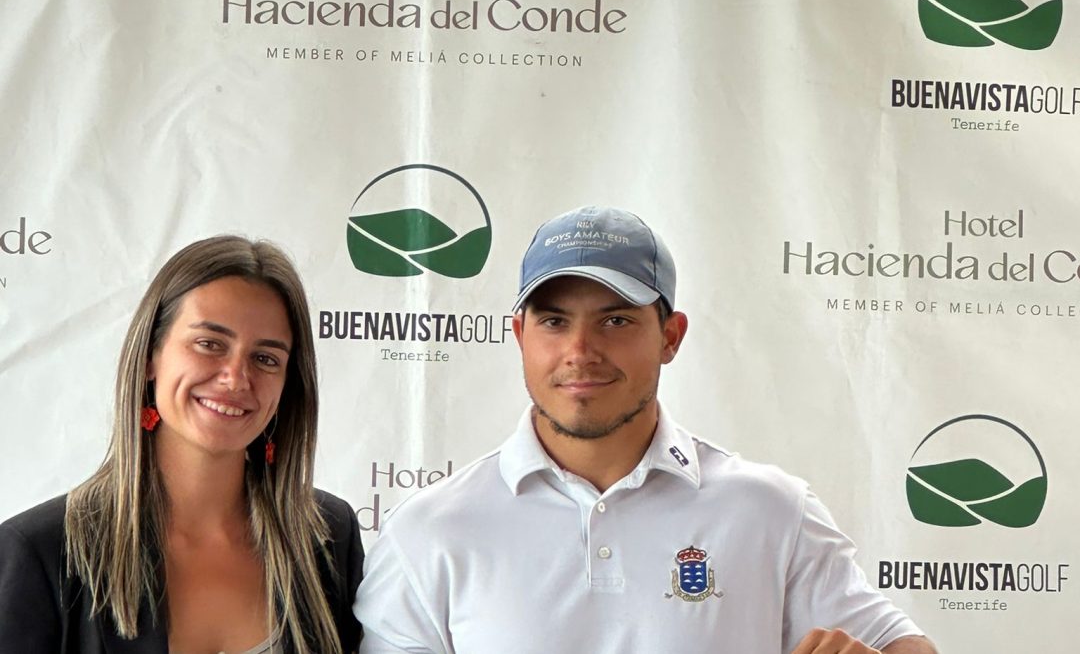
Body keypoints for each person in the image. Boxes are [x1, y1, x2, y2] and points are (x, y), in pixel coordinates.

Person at [354, 207, 937, 653]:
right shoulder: (430, 531)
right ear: (520, 336)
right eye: (554, 321)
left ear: (670, 336)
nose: (580, 352)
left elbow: (902, 646)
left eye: (615, 320)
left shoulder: (771, 510)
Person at [0, 236, 364, 653]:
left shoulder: (328, 536)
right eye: (210, 344)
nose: (235, 378)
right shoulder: (41, 553)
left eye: (265, 358)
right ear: (151, 355)